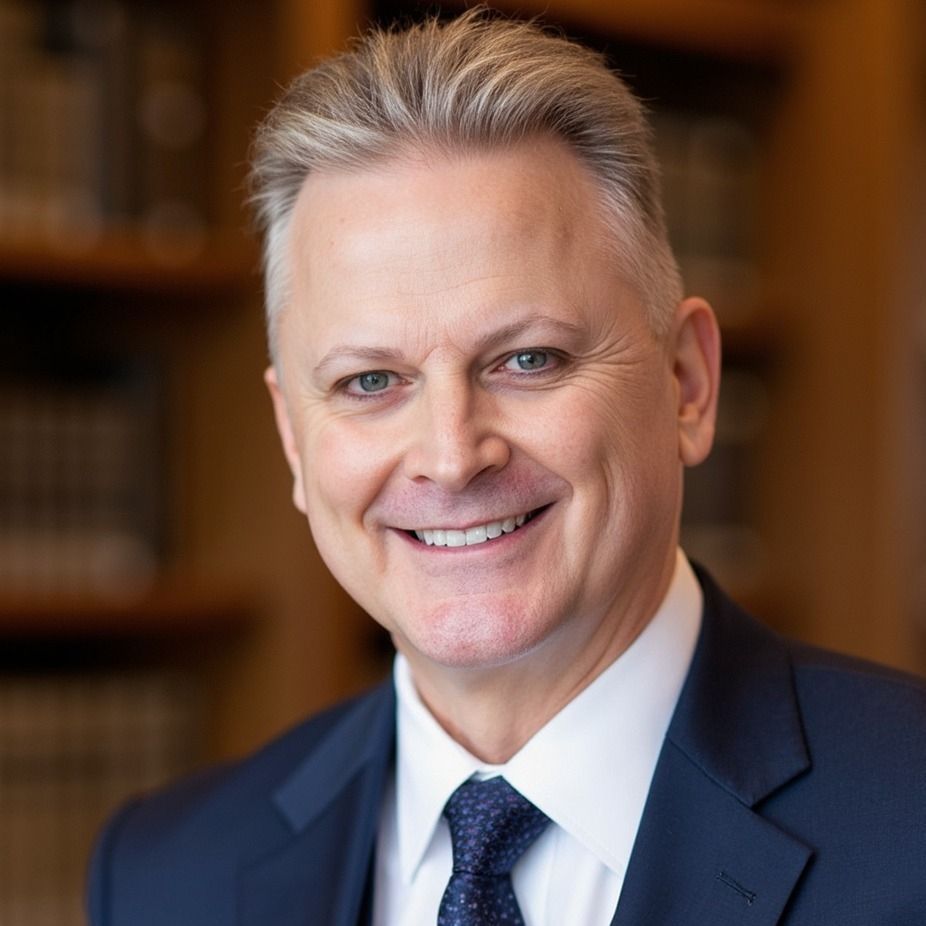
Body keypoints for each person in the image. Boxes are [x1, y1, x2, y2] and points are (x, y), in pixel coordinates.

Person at [87, 10, 926, 925]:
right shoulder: (165, 876)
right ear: (293, 434)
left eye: (528, 359)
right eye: (371, 381)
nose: (452, 457)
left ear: (688, 383)